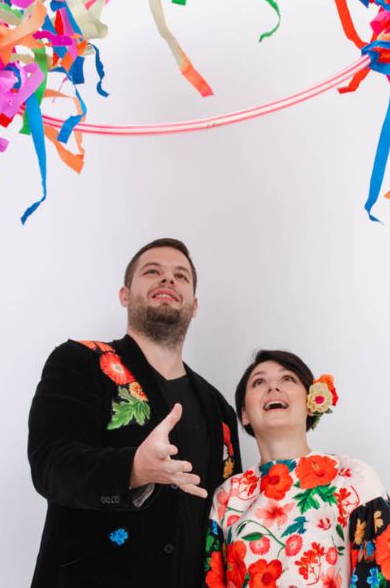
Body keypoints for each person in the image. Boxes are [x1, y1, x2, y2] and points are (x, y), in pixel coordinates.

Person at [28, 238, 241, 587]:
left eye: (181, 276)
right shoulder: (81, 361)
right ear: (125, 294)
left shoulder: (218, 408)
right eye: (152, 271)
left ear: (194, 305)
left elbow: (227, 514)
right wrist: (133, 469)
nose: (168, 279)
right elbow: (50, 466)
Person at [204, 350, 390, 588]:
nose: (273, 387)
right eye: (259, 382)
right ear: (244, 414)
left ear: (311, 402)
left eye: (288, 379)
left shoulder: (353, 480)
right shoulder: (228, 496)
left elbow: (386, 573)